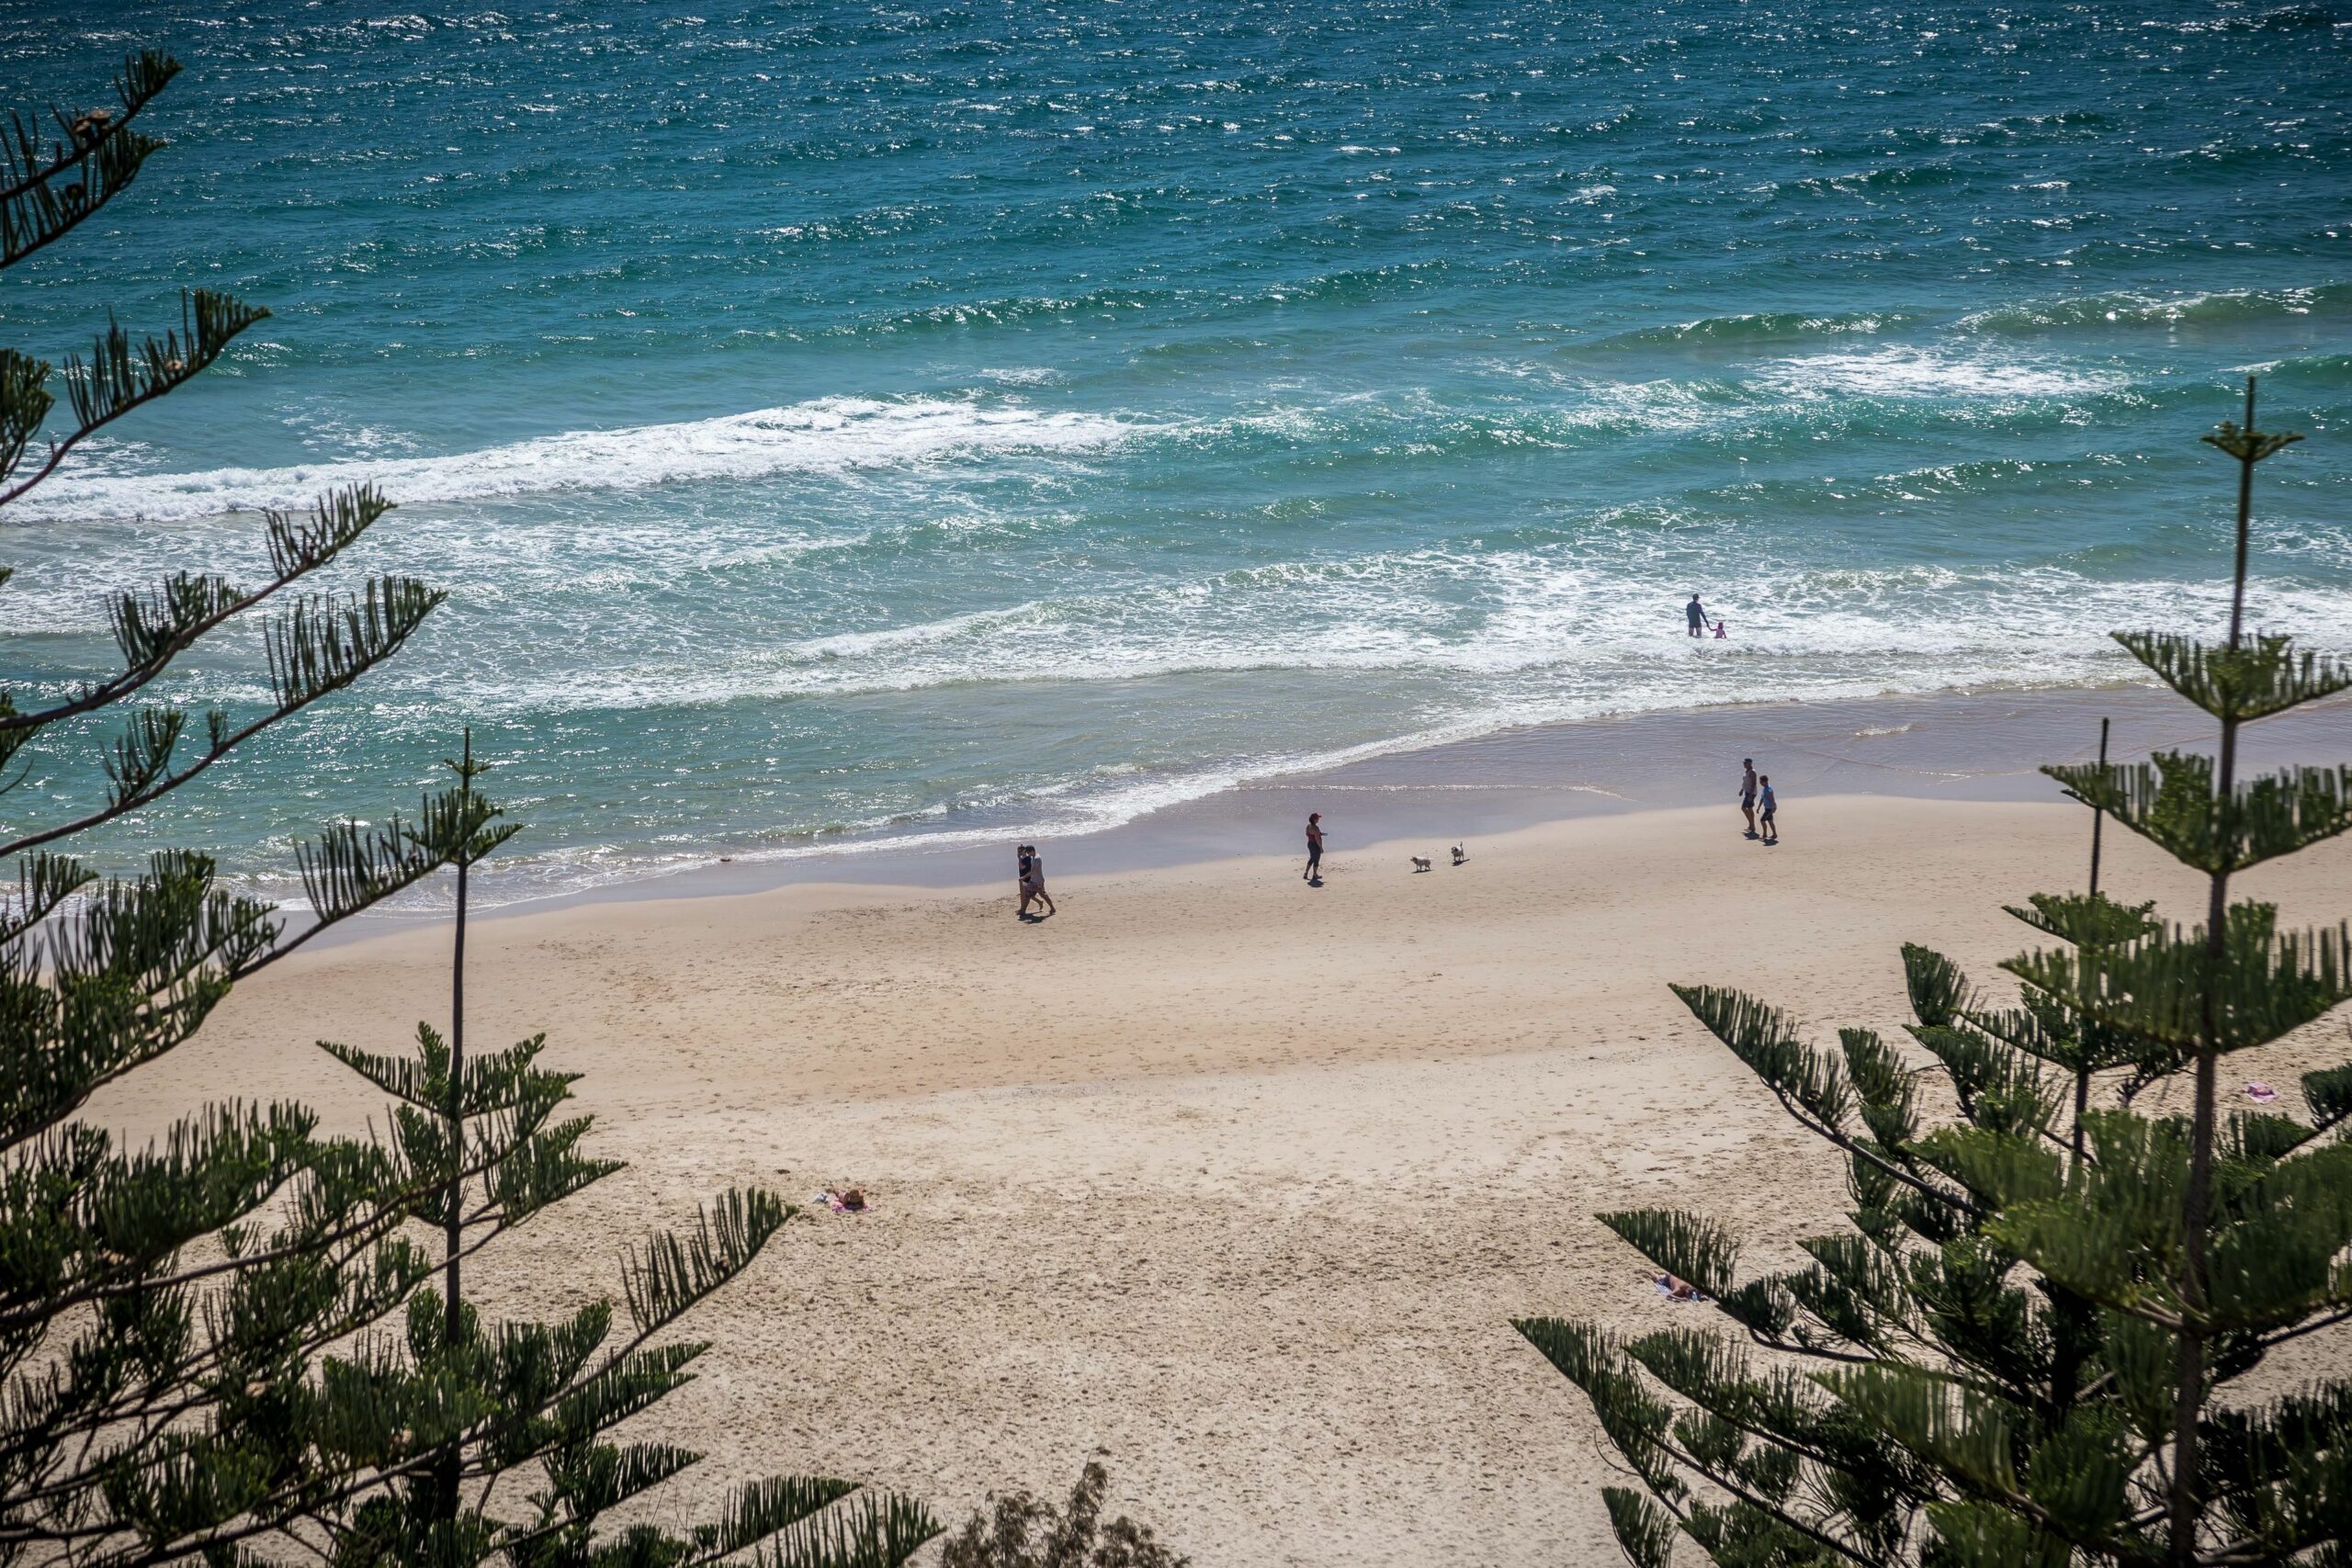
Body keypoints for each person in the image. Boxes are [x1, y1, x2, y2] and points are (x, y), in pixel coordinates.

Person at [1027, 843, 1055, 917]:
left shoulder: (1037, 858)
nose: (1027, 854)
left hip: (1038, 881)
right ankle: (1040, 902)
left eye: (1028, 852)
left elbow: (1033, 871)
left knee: (1044, 895)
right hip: (1033, 880)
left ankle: (1052, 908)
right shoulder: (1033, 857)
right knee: (1029, 895)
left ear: (1032, 851)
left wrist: (1024, 877)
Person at [1738, 758, 1758, 840]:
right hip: (1747, 792)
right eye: (1744, 763)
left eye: (1745, 763)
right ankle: (1751, 826)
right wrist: (1742, 790)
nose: (1744, 764)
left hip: (1751, 793)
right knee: (1749, 808)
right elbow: (1745, 782)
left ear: (1750, 763)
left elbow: (1754, 783)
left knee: (1743, 808)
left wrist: (1750, 794)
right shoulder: (1746, 771)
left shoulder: (1752, 772)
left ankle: (1752, 825)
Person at [1304, 811, 1325, 884]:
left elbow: (1307, 834)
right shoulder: (1316, 828)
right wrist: (1321, 848)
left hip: (1310, 844)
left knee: (1312, 858)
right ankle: (1314, 875)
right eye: (1318, 818)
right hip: (1315, 845)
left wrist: (1319, 834)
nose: (1319, 819)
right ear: (1315, 820)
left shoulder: (1308, 826)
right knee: (1316, 860)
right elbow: (1318, 840)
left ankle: (1306, 873)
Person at [1758, 775, 1779, 845]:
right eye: (1760, 781)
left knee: (1762, 820)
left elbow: (1772, 799)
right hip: (1767, 807)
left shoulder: (1769, 789)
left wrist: (1774, 808)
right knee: (1770, 821)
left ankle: (1764, 834)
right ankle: (1774, 834)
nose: (1760, 783)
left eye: (1761, 782)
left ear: (1765, 781)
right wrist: (1758, 807)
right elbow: (1762, 799)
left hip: (1770, 808)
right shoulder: (1764, 788)